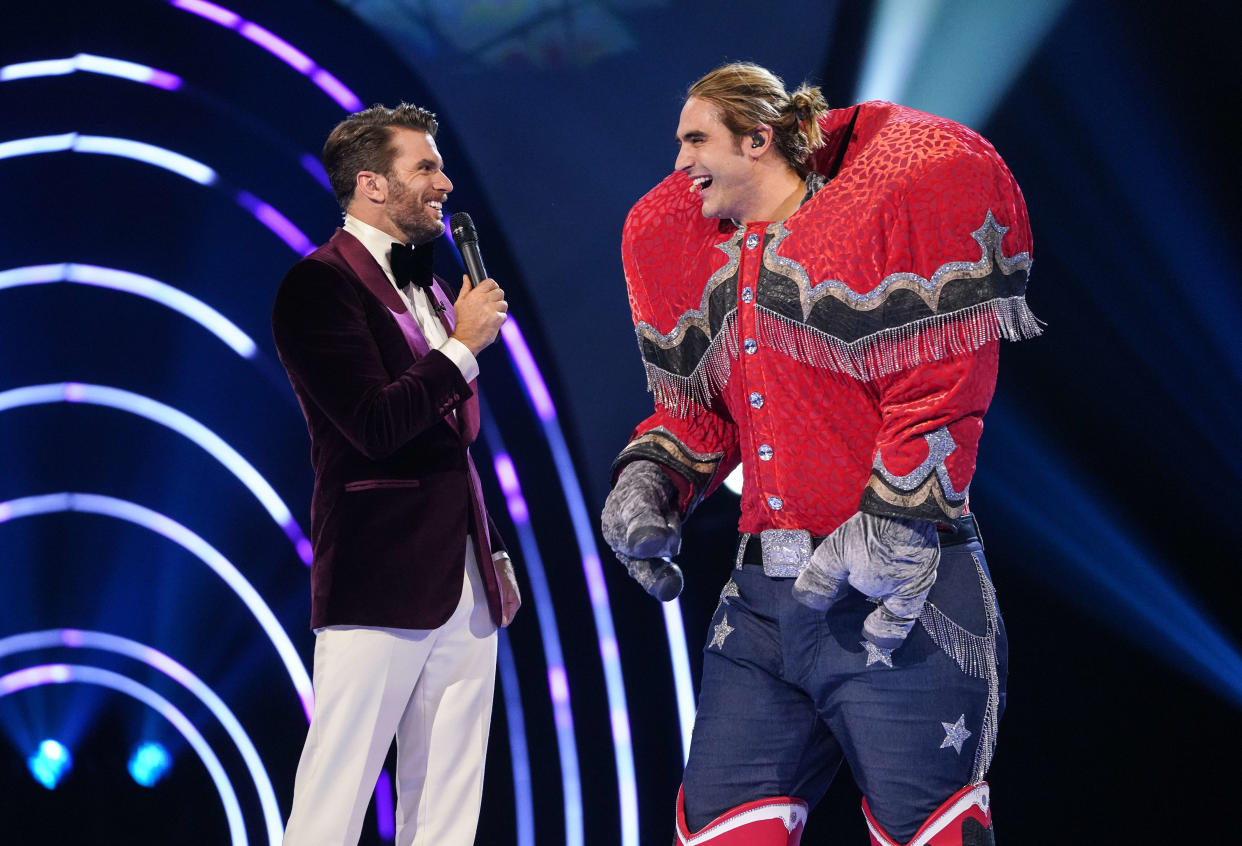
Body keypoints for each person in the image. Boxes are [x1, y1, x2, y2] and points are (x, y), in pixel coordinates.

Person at [602, 63, 1038, 845]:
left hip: (899, 597)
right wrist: (652, 480)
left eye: (696, 139)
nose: (678, 164)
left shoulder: (887, 216)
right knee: (718, 831)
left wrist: (894, 522)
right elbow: (701, 417)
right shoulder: (711, 259)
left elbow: (939, 392)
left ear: (758, 139)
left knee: (928, 836)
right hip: (762, 604)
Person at [272, 102, 521, 846]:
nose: (445, 181)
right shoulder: (317, 285)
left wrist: (492, 548)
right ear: (374, 185)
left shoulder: (435, 287)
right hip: (376, 571)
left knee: (447, 807)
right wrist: (463, 346)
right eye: (427, 166)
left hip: (465, 574)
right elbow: (375, 426)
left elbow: (456, 433)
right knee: (336, 795)